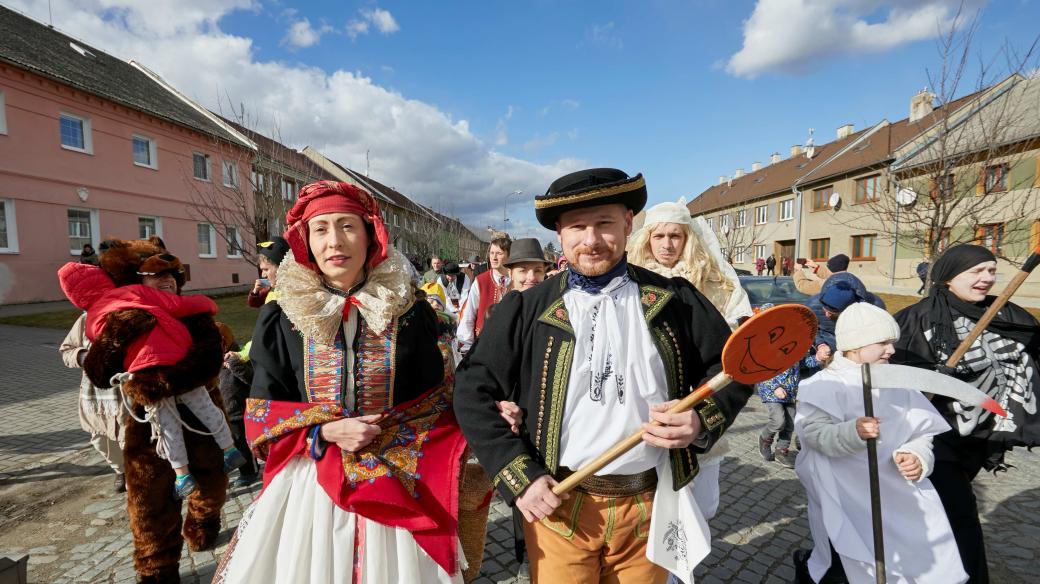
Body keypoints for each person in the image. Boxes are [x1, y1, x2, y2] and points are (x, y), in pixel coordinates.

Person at [454, 168, 753, 584]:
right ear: (559, 233)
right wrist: (518, 475)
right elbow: (471, 391)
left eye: (605, 224)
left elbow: (735, 367)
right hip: (559, 506)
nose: (591, 240)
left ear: (629, 224)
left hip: (651, 505)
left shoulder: (675, 300)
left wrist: (701, 418)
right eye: (577, 227)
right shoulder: (525, 309)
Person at [214, 181, 467, 584]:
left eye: (347, 226)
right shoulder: (284, 316)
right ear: (305, 242)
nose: (335, 241)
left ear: (370, 235)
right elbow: (262, 411)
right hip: (311, 480)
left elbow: (435, 400)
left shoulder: (410, 312)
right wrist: (325, 430)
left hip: (395, 480)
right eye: (321, 229)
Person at [893, 244, 1040, 583]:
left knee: (942, 514)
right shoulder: (916, 319)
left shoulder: (1007, 314)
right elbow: (887, 372)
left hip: (979, 440)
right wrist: (926, 377)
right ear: (948, 278)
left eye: (991, 271)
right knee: (959, 517)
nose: (987, 279)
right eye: (977, 271)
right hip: (933, 439)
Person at [794, 302, 966, 584]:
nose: (892, 350)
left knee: (915, 559)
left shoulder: (897, 381)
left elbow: (922, 432)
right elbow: (813, 435)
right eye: (883, 343)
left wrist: (917, 455)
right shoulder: (822, 384)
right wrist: (853, 432)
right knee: (845, 563)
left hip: (897, 496)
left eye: (892, 343)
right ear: (854, 345)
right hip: (842, 495)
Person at [58, 256, 247, 499]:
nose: (166, 280)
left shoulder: (101, 314)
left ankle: (190, 475)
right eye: (157, 275)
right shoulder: (127, 299)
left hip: (161, 379)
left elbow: (209, 354)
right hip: (135, 396)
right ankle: (212, 459)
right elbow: (96, 361)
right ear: (139, 279)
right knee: (169, 429)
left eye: (170, 275)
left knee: (181, 430)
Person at [626, 198, 753, 329]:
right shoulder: (632, 279)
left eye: (675, 236)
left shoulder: (712, 280)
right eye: (658, 236)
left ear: (687, 239)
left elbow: (730, 327)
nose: (667, 245)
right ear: (647, 240)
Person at [60, 311, 127, 493]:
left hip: (126, 396)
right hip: (95, 398)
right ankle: (120, 470)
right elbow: (67, 350)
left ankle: (136, 475)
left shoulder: (133, 316)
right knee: (100, 441)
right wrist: (84, 357)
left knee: (128, 439)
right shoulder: (86, 319)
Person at [757, 345, 829, 468]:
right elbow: (762, 370)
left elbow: (802, 363)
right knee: (778, 421)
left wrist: (817, 358)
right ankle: (765, 438)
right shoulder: (771, 349)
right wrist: (775, 387)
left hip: (790, 393)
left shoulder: (795, 350)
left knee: (790, 423)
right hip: (772, 393)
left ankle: (781, 450)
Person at [217, 324, 260, 488]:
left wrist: (236, 365)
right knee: (230, 443)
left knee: (242, 443)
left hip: (239, 410)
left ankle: (250, 471)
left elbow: (252, 380)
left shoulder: (239, 357)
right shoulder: (212, 361)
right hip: (222, 412)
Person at [456, 236, 512, 355]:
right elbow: (469, 313)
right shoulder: (481, 281)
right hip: (483, 344)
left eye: (499, 253)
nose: (494, 257)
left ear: (509, 256)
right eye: (492, 253)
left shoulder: (516, 280)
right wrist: (467, 345)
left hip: (510, 344)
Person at [247, 237, 289, 308]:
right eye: (262, 270)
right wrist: (255, 293)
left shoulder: (295, 294)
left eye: (266, 269)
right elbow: (255, 304)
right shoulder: (269, 287)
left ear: (281, 267)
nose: (263, 275)